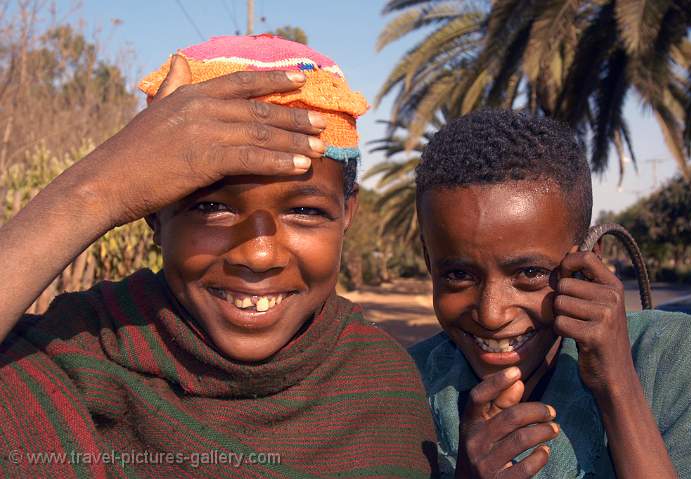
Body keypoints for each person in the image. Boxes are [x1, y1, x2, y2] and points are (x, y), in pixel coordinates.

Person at [0, 35, 437, 477]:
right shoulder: (67, 355)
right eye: (211, 208)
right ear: (152, 216)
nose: (260, 254)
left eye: (305, 210)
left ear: (347, 213)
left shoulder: (381, 384)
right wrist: (96, 192)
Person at [409, 109, 691, 478]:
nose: (492, 315)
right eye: (459, 274)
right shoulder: (407, 384)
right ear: (430, 262)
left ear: (588, 263)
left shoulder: (671, 354)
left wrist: (617, 384)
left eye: (530, 273)